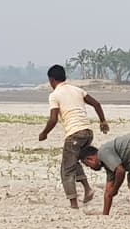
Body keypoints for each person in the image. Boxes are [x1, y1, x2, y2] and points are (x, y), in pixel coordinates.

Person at [37, 64, 109, 208]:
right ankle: (87, 188)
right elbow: (96, 104)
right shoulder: (77, 90)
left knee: (67, 169)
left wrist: (44, 133)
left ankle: (74, 203)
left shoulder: (55, 95)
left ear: (51, 80)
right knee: (74, 161)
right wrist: (102, 121)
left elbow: (53, 119)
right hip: (88, 132)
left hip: (74, 134)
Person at [78, 132, 130, 218]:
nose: (89, 167)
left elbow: (120, 171)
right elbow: (108, 192)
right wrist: (105, 215)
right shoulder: (108, 164)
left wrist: (115, 189)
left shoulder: (103, 153)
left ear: (90, 159)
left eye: (87, 165)